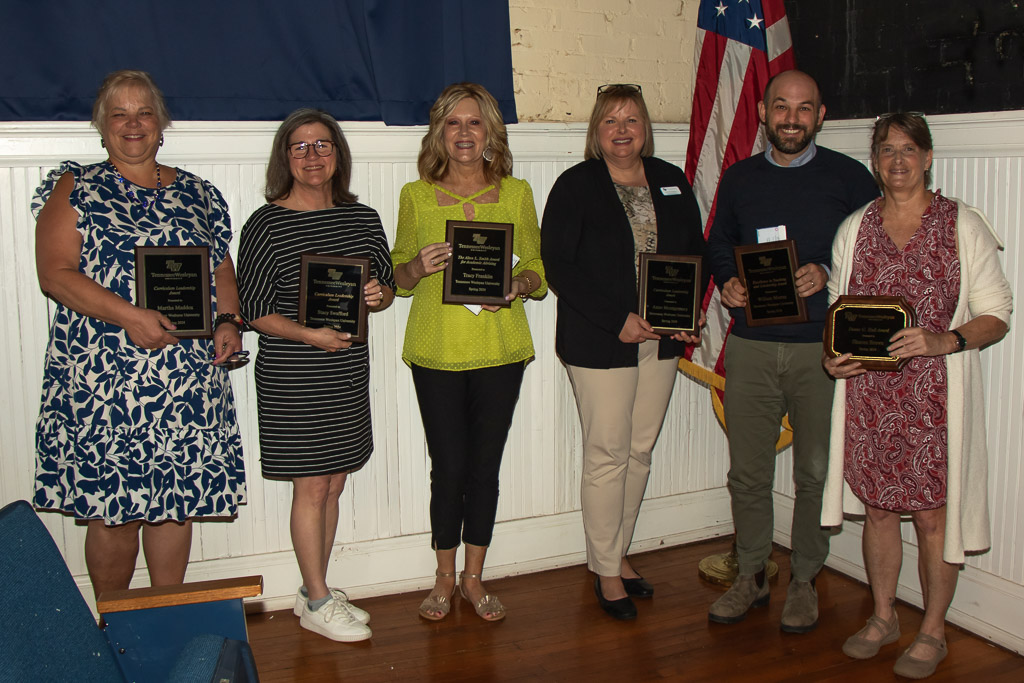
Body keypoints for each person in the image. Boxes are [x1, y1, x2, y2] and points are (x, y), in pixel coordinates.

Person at [31, 70, 246, 599]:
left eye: (144, 112)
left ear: (162, 124)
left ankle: (164, 624)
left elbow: (220, 269)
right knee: (114, 511)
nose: (133, 124)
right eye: (119, 114)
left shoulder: (198, 191)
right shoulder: (76, 186)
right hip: (107, 378)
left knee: (175, 506)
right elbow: (55, 273)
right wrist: (129, 315)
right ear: (101, 126)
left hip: (186, 377)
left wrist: (228, 321)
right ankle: (117, 628)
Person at [822, 113, 1012, 678]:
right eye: (886, 150)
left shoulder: (962, 225)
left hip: (935, 398)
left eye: (909, 149)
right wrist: (831, 357)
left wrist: (942, 339)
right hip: (870, 398)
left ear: (928, 157)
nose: (898, 160)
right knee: (879, 510)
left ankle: (933, 629)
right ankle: (883, 617)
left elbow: (997, 314)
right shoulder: (855, 228)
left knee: (932, 517)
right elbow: (838, 310)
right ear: (874, 161)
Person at [706, 70, 879, 632]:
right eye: (782, 106)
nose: (792, 118)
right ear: (762, 111)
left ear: (821, 115)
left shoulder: (851, 179)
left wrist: (828, 273)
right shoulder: (739, 178)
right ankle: (752, 573)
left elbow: (872, 257)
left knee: (814, 472)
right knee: (747, 473)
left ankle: (804, 577)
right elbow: (717, 246)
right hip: (753, 346)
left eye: (804, 109)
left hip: (821, 351)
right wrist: (730, 281)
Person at [541, 84, 706, 620]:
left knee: (639, 450)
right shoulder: (577, 184)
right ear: (596, 130)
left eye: (631, 119)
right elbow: (558, 266)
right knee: (607, 454)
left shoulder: (671, 180)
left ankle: (615, 554)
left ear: (645, 128)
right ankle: (607, 572)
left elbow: (694, 254)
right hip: (600, 340)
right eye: (610, 120)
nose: (621, 129)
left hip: (661, 342)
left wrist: (688, 312)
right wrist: (619, 320)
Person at [236, 109, 394, 642]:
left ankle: (314, 591)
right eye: (300, 147)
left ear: (338, 154)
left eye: (322, 145)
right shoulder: (266, 222)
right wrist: (312, 335)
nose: (312, 156)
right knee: (310, 486)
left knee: (334, 483)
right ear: (285, 157)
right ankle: (319, 598)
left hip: (346, 369)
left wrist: (378, 295)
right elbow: (255, 310)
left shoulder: (363, 217)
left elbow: (386, 287)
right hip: (294, 372)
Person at [391, 82, 545, 622]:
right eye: (452, 123)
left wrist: (519, 285)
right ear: (439, 132)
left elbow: (539, 272)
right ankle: (442, 577)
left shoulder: (517, 193)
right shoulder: (415, 196)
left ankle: (474, 578)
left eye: (474, 123)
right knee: (448, 468)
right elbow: (399, 275)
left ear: (489, 132)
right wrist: (418, 267)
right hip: (435, 350)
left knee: (485, 467)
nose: (463, 133)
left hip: (501, 348)